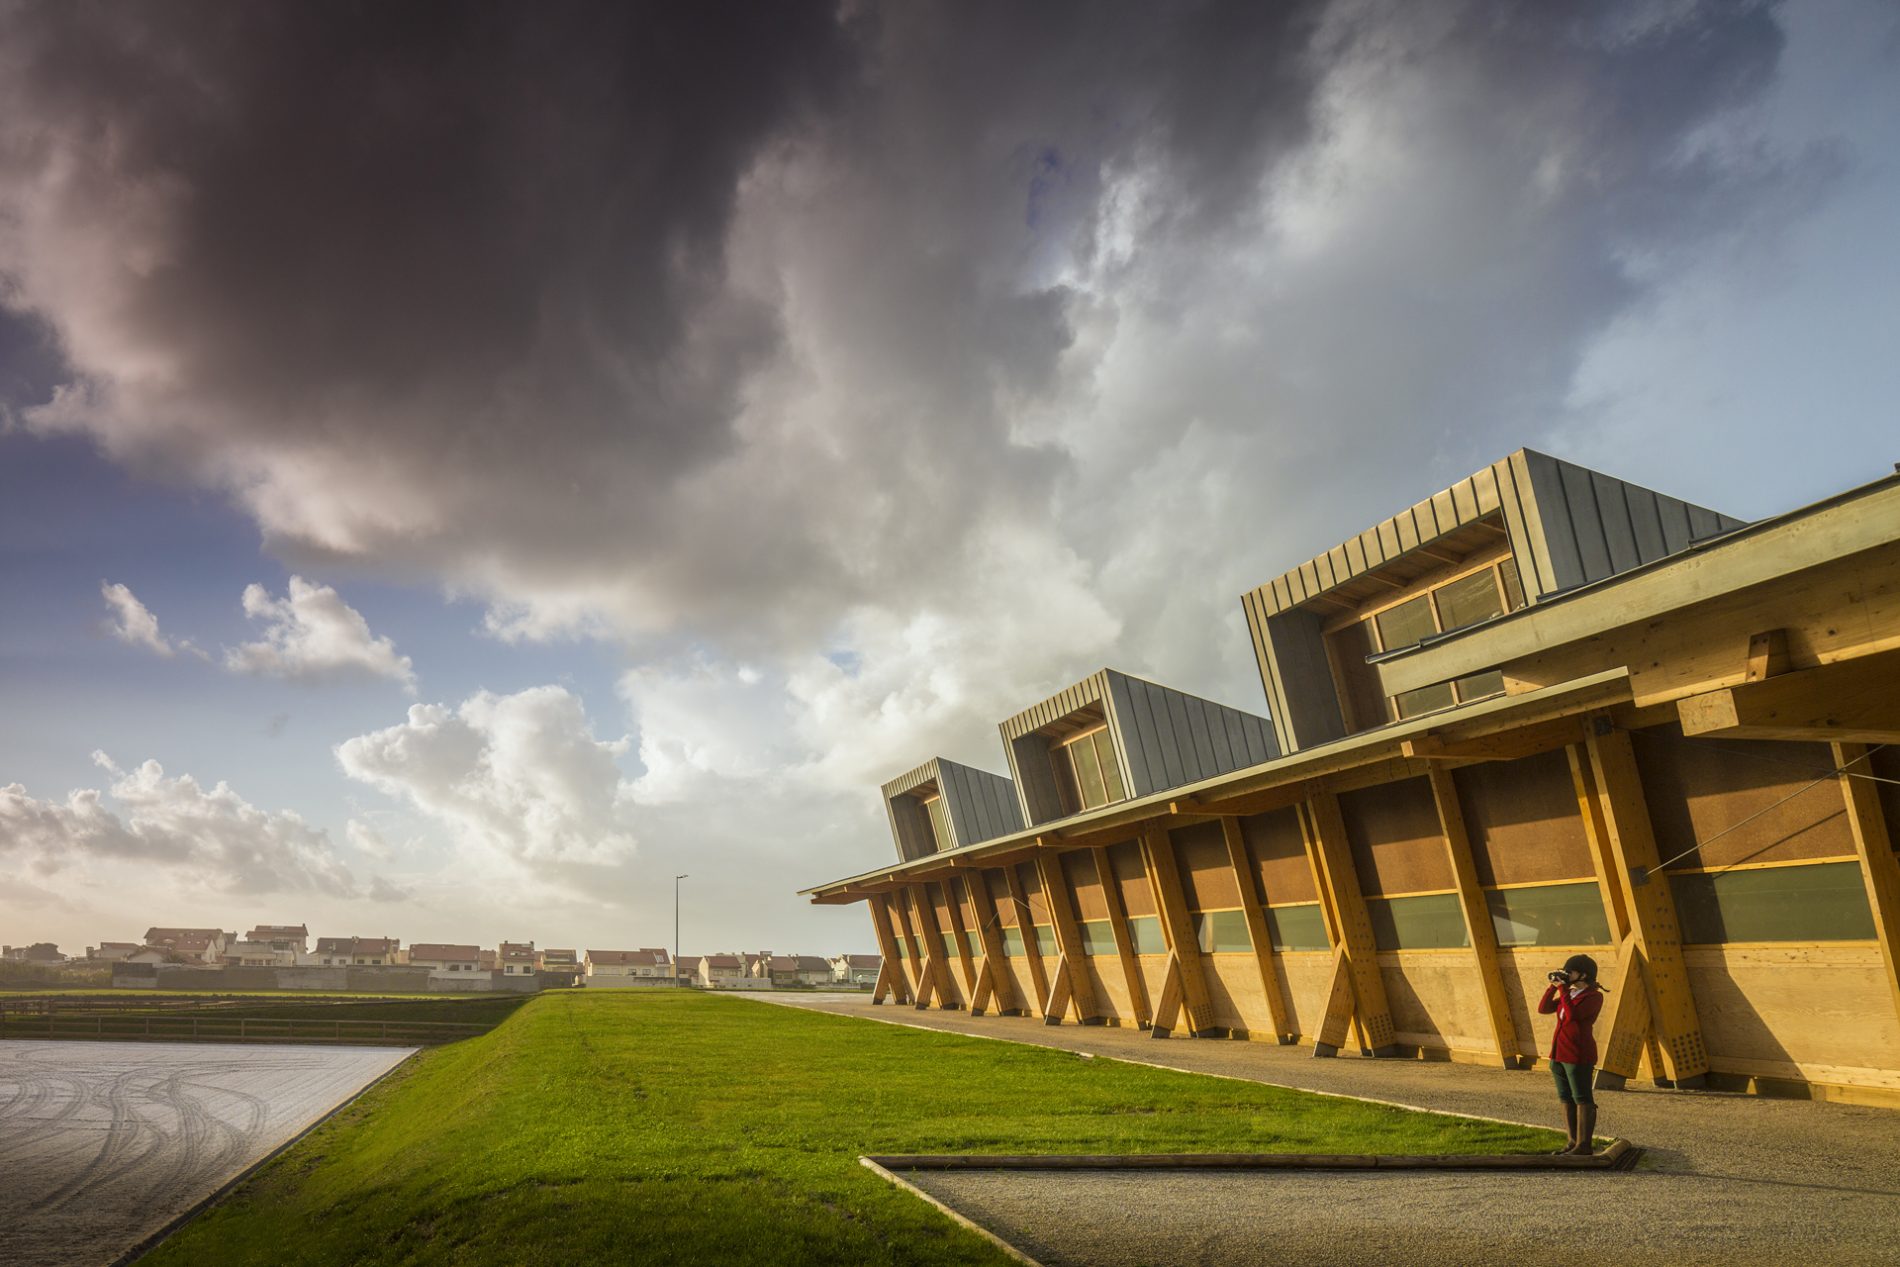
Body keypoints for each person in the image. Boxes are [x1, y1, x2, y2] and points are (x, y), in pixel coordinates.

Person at [1538, 953, 1605, 1156]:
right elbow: (1543, 1008)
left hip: (1578, 1054)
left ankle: (1584, 1145)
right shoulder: (1571, 993)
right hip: (1559, 1053)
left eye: (1570, 971)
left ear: (1583, 974)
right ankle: (1572, 1141)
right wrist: (1553, 987)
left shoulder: (1593, 997)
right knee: (1565, 1097)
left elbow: (1572, 1017)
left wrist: (1563, 990)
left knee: (1582, 1098)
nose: (1566, 975)